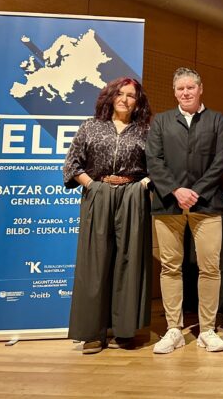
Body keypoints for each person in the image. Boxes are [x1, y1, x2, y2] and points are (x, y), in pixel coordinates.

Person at [63, 77, 153, 354]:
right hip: (98, 192)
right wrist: (92, 185)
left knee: (129, 260)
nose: (125, 100)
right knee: (95, 262)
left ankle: (125, 331)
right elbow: (72, 164)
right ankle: (91, 333)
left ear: (138, 103)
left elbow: (158, 165)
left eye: (132, 96)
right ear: (111, 97)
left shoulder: (146, 130)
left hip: (132, 195)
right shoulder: (90, 126)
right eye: (121, 94)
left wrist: (143, 185)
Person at [146, 67, 223, 354]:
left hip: (206, 204)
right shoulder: (161, 122)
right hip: (168, 204)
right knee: (171, 267)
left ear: (200, 88)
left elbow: (222, 161)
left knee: (209, 267)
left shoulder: (218, 120)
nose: (186, 93)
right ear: (174, 92)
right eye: (180, 88)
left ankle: (207, 329)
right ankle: (174, 330)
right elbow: (153, 161)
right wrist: (176, 190)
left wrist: (196, 192)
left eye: (190, 87)